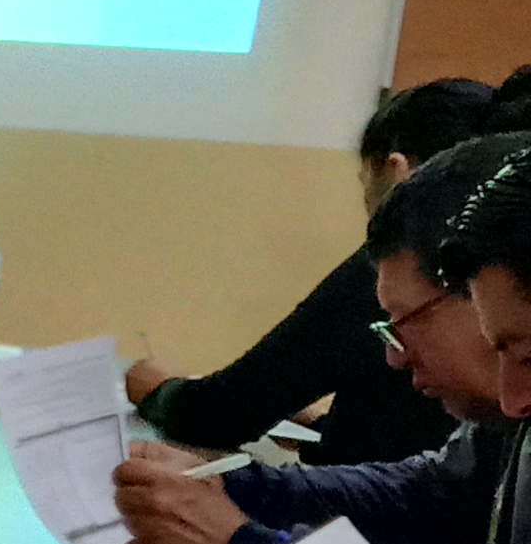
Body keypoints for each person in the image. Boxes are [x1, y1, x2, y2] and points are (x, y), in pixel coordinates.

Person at [144, 137, 531, 544]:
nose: (512, 398)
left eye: (518, 350)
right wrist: (238, 489)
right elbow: (434, 490)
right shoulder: (508, 416)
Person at [123, 78, 493, 464]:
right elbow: (417, 436)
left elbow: (220, 414)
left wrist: (157, 388)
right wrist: (324, 429)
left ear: (397, 172)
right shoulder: (498, 259)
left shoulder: (397, 266)